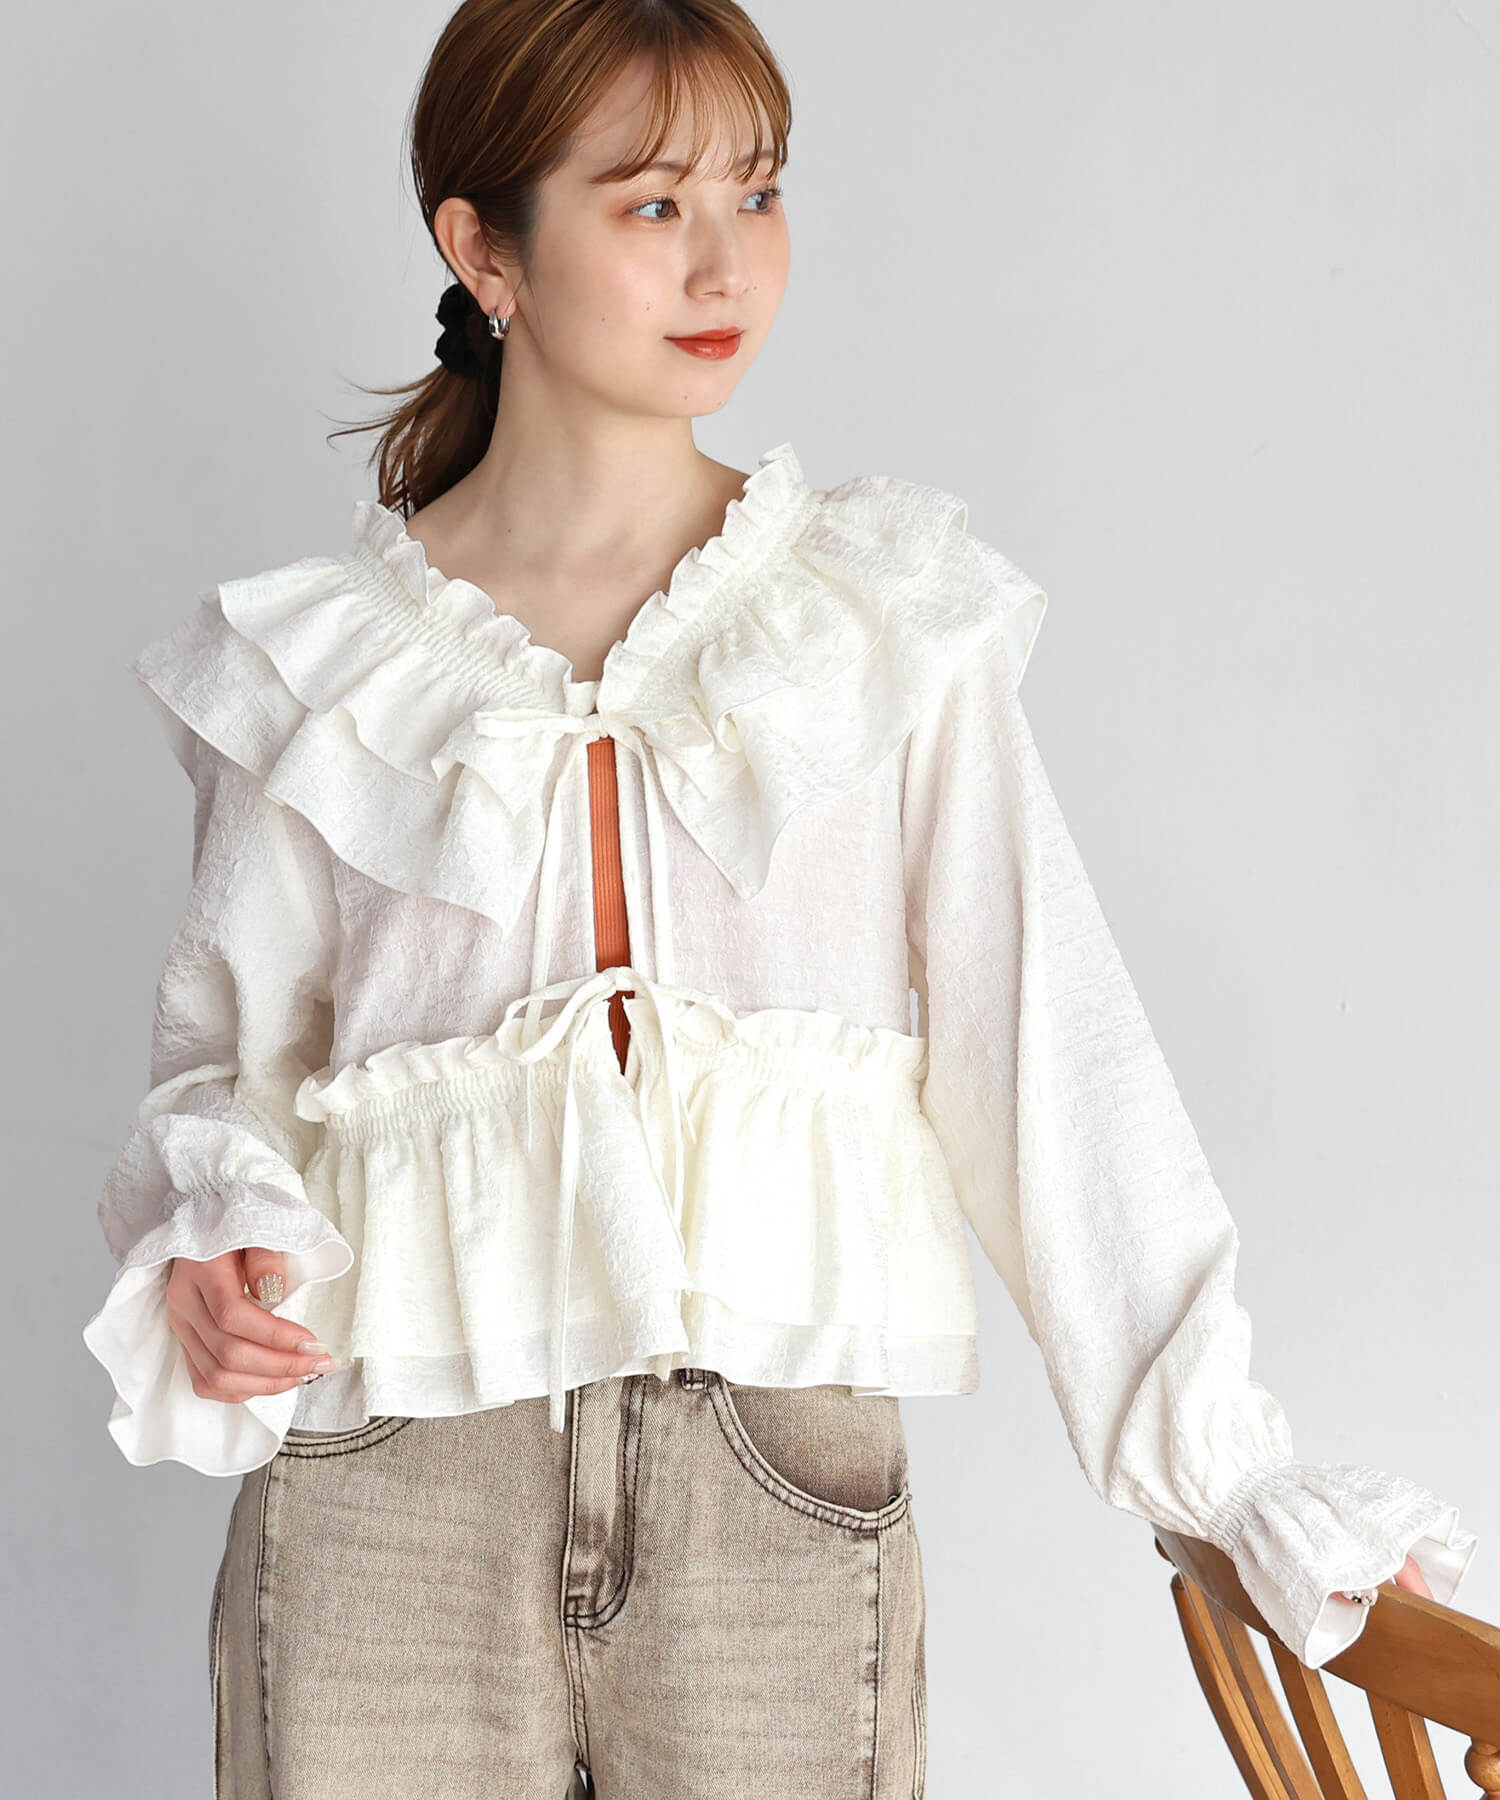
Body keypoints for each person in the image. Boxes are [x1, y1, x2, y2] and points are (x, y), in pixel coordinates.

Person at [82, 2, 1477, 1795]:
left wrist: (1230, 1473)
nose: (727, 261)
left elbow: (1047, 1055)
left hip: (774, 1497)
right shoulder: (319, 670)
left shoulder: (871, 619)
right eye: (654, 204)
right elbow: (226, 1066)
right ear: (483, 249)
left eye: (757, 191)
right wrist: (218, 1240)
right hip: (385, 1496)